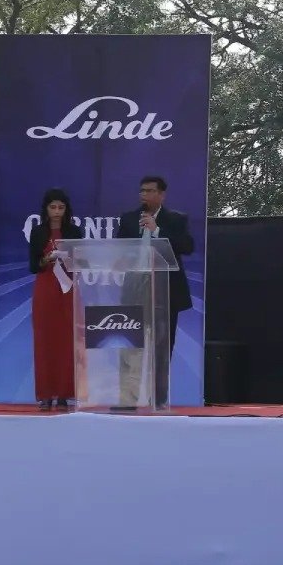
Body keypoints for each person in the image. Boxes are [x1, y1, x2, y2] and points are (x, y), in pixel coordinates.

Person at [116, 175, 194, 408]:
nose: (144, 195)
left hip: (165, 289)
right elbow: (119, 246)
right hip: (134, 285)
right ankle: (127, 400)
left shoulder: (176, 219)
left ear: (162, 195)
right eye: (142, 191)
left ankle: (157, 400)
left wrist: (157, 229)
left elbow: (187, 246)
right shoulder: (129, 218)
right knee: (130, 344)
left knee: (161, 345)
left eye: (150, 191)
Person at [28, 188, 83, 410]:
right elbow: (33, 266)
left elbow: (82, 262)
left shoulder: (75, 232)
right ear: (46, 209)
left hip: (67, 289)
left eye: (61, 207)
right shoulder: (38, 232)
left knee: (66, 341)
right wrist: (47, 259)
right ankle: (45, 395)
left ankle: (63, 395)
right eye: (53, 207)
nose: (57, 211)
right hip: (45, 288)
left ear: (66, 209)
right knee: (44, 341)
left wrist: (69, 258)